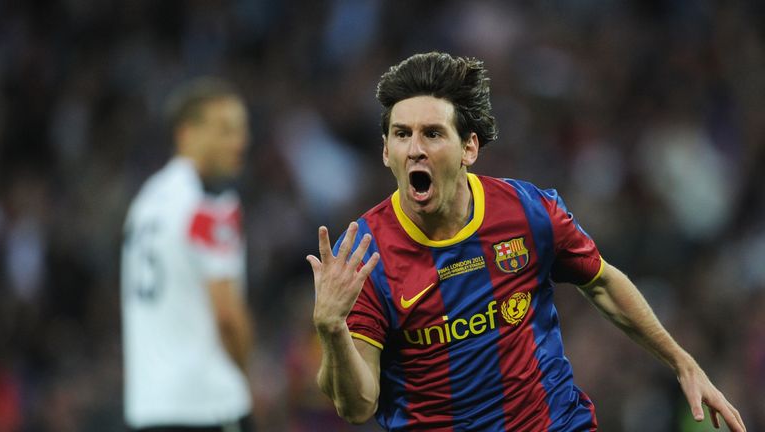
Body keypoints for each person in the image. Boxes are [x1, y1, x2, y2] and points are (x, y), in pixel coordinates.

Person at [306, 52, 746, 431]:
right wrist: (332, 330)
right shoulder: (362, 254)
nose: (415, 149)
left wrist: (682, 361)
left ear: (469, 148)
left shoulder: (527, 211)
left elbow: (603, 284)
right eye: (402, 134)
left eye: (433, 133)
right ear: (386, 151)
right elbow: (358, 405)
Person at [121, 77, 255, 431]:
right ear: (186, 134)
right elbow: (227, 316)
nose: (239, 142)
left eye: (241, 129)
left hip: (148, 408)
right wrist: (247, 376)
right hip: (207, 404)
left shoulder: (145, 202)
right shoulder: (210, 202)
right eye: (224, 130)